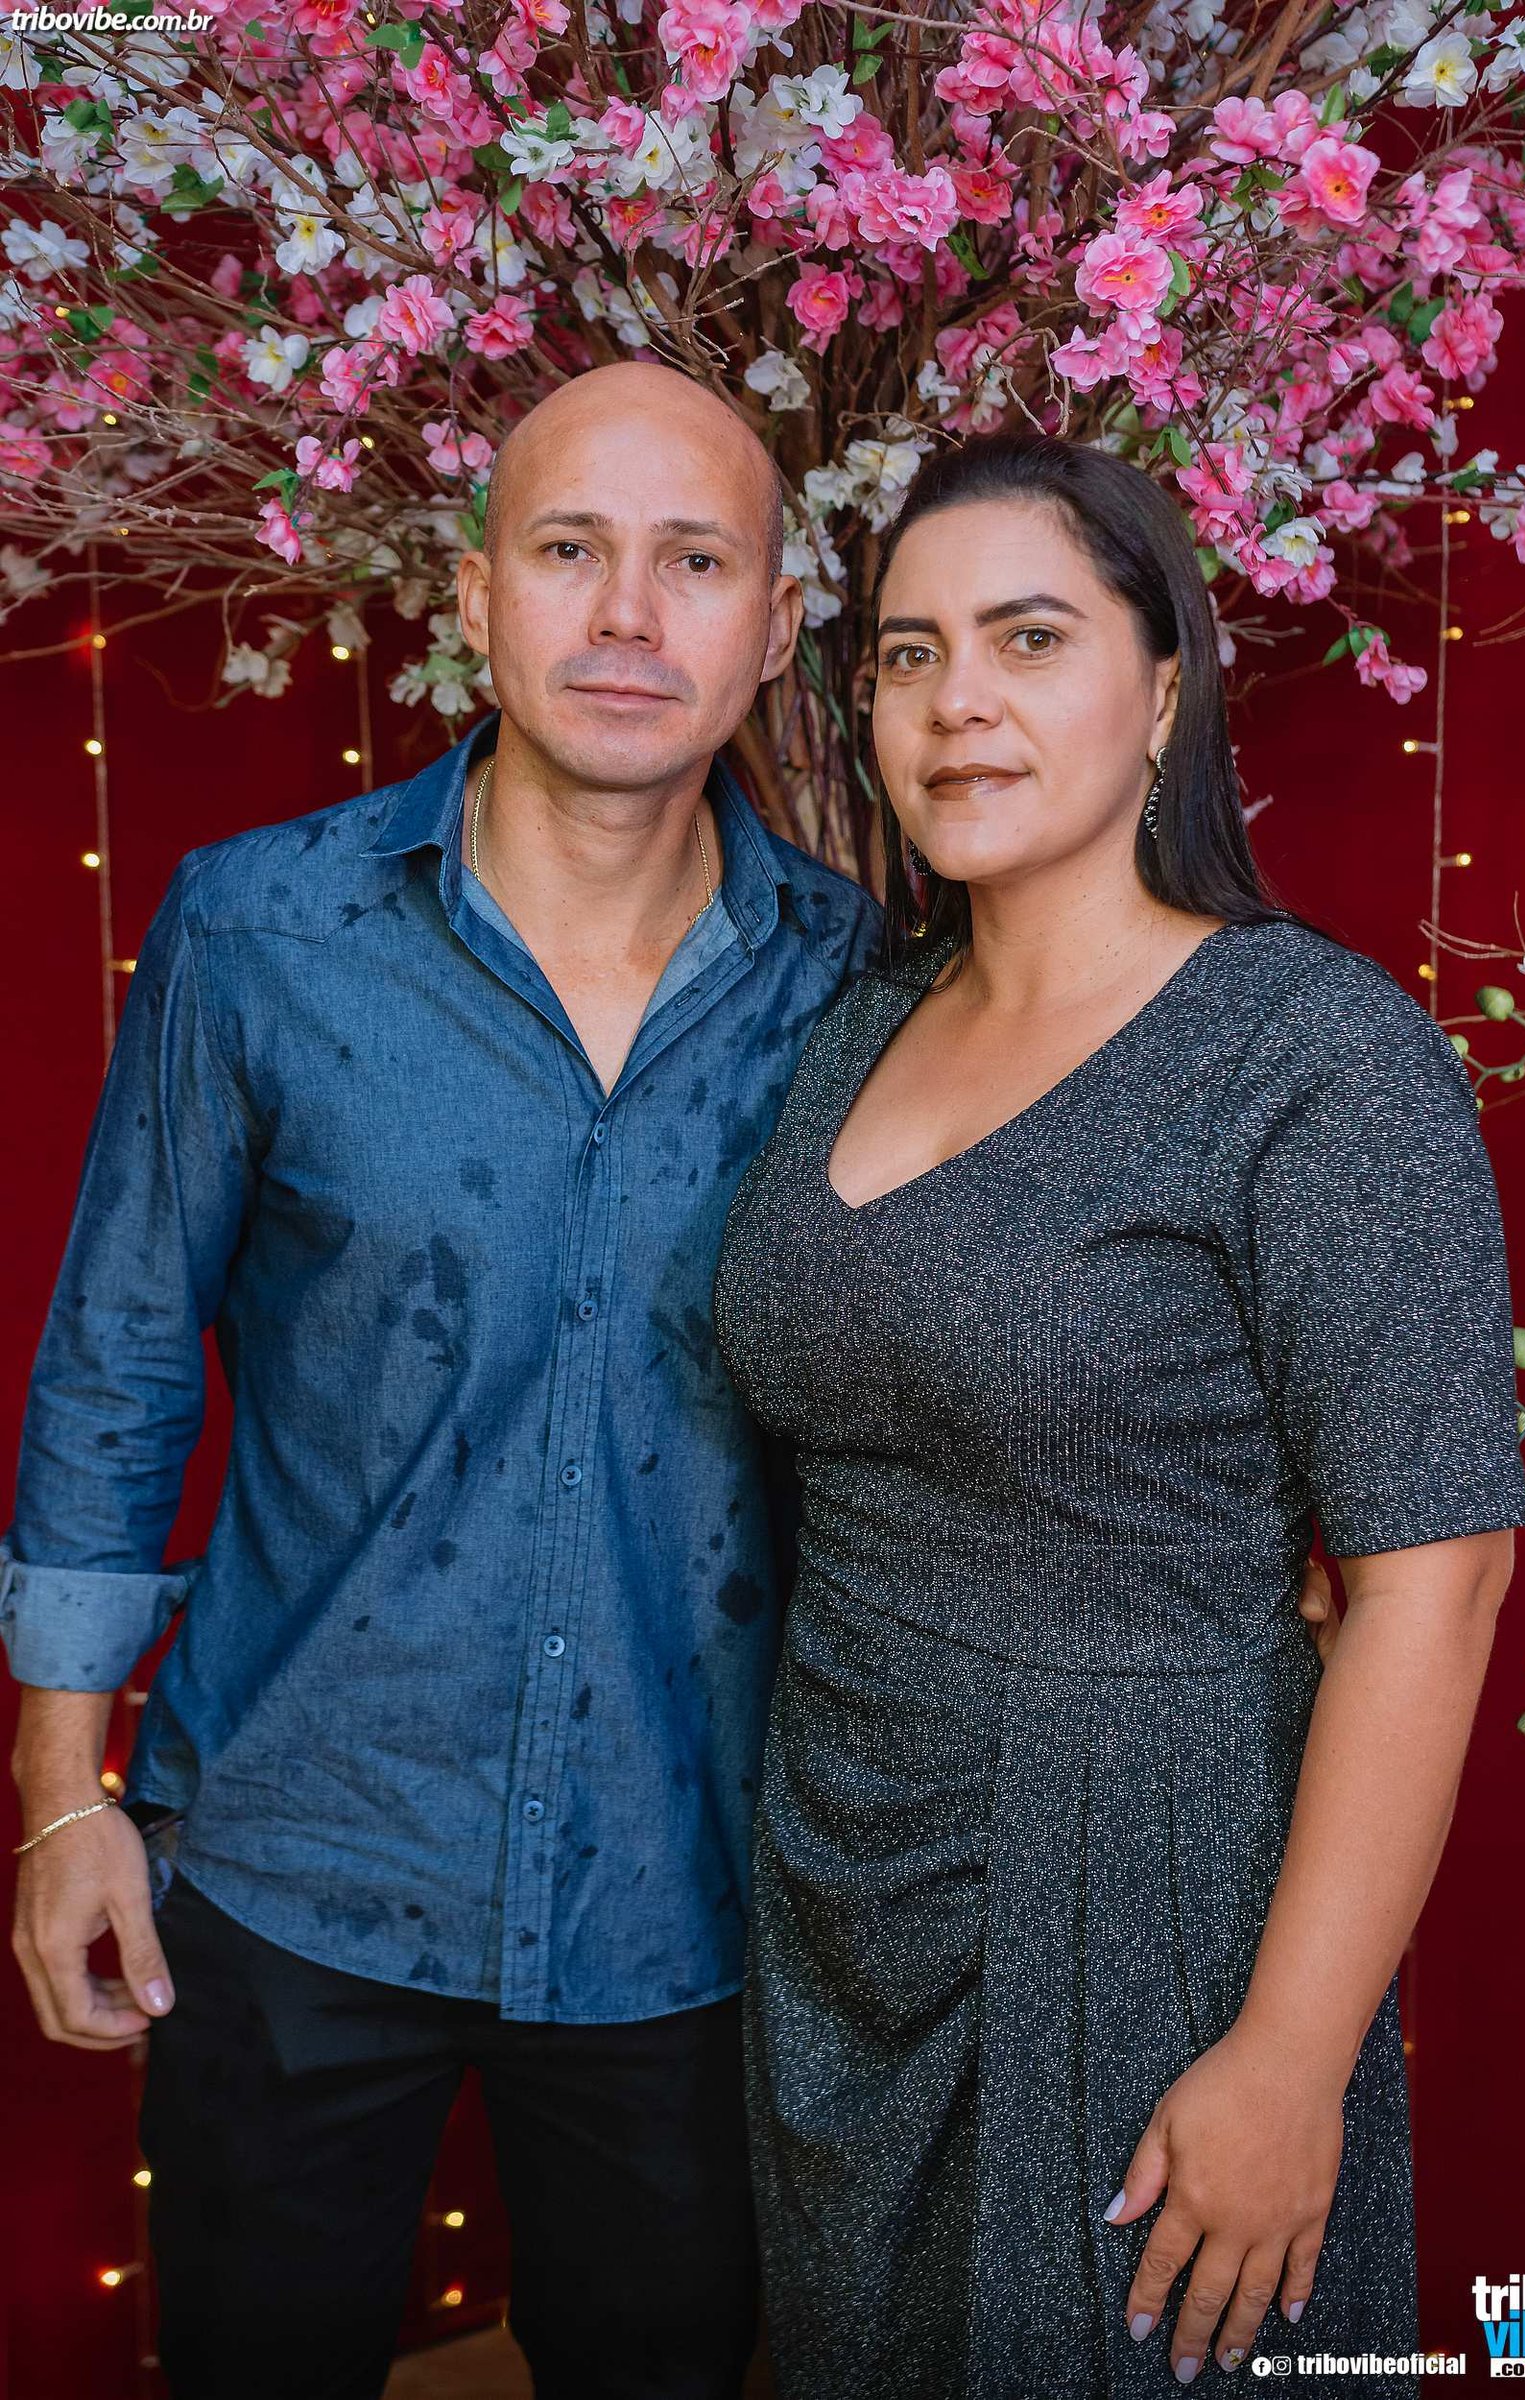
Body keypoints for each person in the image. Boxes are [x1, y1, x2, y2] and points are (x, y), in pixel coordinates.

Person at [1, 361, 882, 2400]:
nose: (628, 614)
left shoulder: (858, 980)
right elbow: (117, 1361)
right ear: (473, 599)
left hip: (692, 1892)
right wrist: (59, 1805)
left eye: (695, 563)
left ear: (773, 627)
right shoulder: (257, 927)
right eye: (569, 550)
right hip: (291, 1861)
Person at [711, 433, 1525, 2398]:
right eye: (908, 654)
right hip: (839, 1887)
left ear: (1163, 690)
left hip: (1143, 1885)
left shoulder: (1313, 1057)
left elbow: (1435, 1584)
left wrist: (1290, 2057)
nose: (956, 702)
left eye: (1028, 638)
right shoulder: (854, 1024)